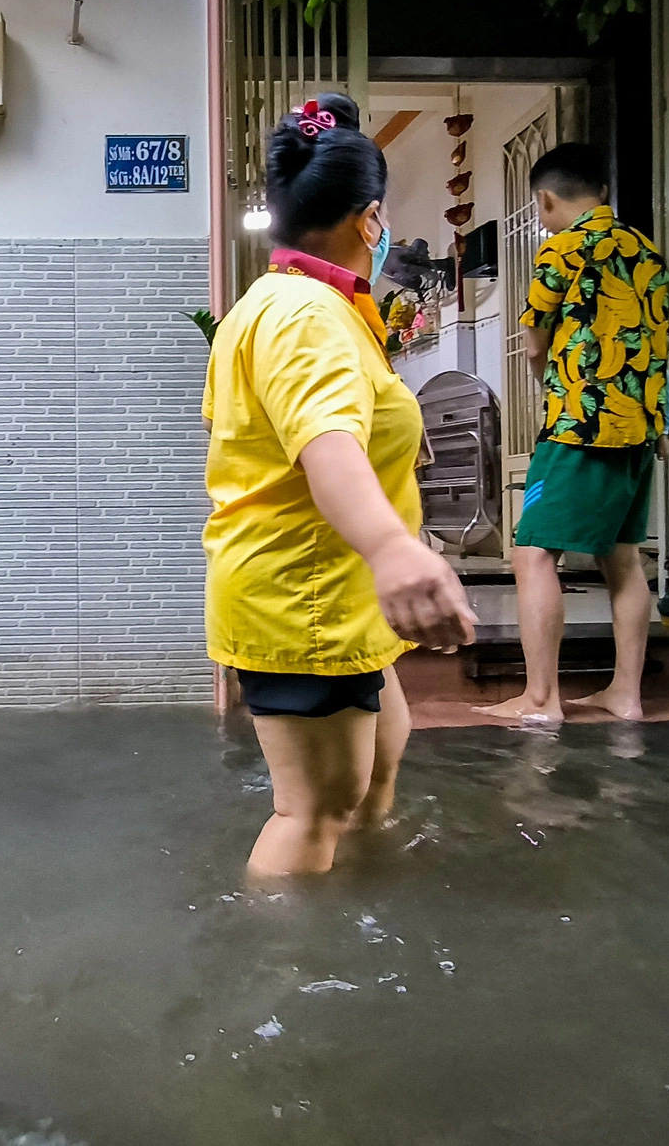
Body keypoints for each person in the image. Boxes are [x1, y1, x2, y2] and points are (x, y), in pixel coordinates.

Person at [204, 94, 477, 878]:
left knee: (378, 763)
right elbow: (327, 446)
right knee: (313, 808)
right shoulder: (306, 316)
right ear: (370, 220)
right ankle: (286, 977)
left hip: (333, 589)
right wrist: (393, 547)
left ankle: (358, 903)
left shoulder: (295, 308)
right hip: (307, 596)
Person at [479, 143, 669, 726]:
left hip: (580, 426)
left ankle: (541, 700)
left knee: (532, 553)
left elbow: (536, 340)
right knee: (622, 557)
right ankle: (626, 694)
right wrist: (659, 421)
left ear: (544, 199)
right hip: (640, 428)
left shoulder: (562, 249)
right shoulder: (646, 253)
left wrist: (542, 372)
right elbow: (666, 336)